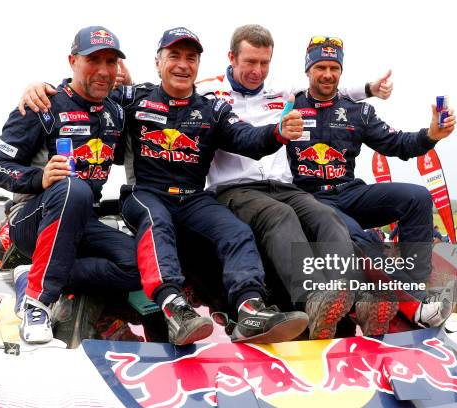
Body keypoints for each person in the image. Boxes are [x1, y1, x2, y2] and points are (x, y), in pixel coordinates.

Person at [195, 25, 397, 338]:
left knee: (327, 217)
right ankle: (313, 300)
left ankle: (350, 302)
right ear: (231, 57)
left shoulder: (280, 86)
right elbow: (170, 92)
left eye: (264, 63)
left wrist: (369, 88)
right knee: (281, 217)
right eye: (250, 62)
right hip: (234, 189)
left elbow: (327, 87)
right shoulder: (207, 90)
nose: (257, 71)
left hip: (284, 186)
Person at [115, 27, 311, 345]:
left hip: (193, 198)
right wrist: (40, 89)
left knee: (236, 232)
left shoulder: (213, 108)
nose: (182, 64)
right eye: (174, 56)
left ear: (198, 65)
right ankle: (175, 309)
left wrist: (278, 132)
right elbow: (83, 101)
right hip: (146, 193)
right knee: (157, 221)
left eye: (190, 58)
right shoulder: (133, 98)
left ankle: (250, 311)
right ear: (157, 62)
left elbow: (248, 139)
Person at [284, 36, 457, 329]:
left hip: (350, 192)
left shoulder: (358, 111)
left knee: (417, 197)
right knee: (364, 238)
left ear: (341, 71)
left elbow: (398, 144)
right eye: (320, 67)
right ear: (308, 70)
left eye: (334, 68)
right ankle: (410, 302)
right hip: (309, 200)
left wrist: (430, 135)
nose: (328, 74)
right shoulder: (289, 106)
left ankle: (414, 292)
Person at [0, 26, 142, 344]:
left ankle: (34, 276)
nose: (103, 70)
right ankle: (37, 303)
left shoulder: (115, 111)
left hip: (82, 223)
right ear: (72, 61)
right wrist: (38, 178)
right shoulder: (43, 104)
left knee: (137, 264)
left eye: (111, 61)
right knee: (74, 186)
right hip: (33, 220)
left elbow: (162, 103)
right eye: (93, 60)